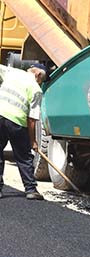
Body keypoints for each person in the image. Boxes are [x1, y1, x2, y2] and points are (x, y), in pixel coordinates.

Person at [0, 64, 47, 200]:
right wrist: (33, 141)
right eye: (41, 81)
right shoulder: (36, 89)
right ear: (38, 75)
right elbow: (32, 119)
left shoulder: (12, 72)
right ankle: (31, 189)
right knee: (24, 156)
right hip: (16, 122)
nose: (40, 83)